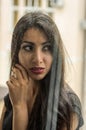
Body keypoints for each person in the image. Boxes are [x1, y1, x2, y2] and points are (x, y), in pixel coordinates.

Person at [0, 11, 84, 130]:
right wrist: (18, 105)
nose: (38, 59)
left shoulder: (68, 105)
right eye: (28, 48)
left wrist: (20, 109)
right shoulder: (13, 95)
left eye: (46, 48)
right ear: (16, 54)